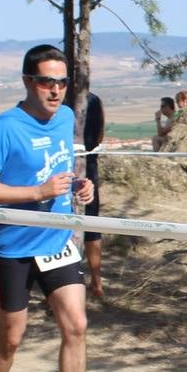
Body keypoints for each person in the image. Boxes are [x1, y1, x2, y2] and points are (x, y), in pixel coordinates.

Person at [0, 44, 106, 372]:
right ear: (28, 81)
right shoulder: (6, 128)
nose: (56, 90)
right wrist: (37, 192)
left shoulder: (65, 118)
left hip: (57, 241)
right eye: (47, 81)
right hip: (13, 248)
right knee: (11, 337)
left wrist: (79, 186)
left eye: (63, 82)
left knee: (76, 326)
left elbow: (60, 169)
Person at [83, 92, 105, 298]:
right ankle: (96, 282)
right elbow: (100, 134)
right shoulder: (94, 99)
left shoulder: (64, 100)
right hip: (90, 163)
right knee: (92, 223)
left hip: (67, 164)